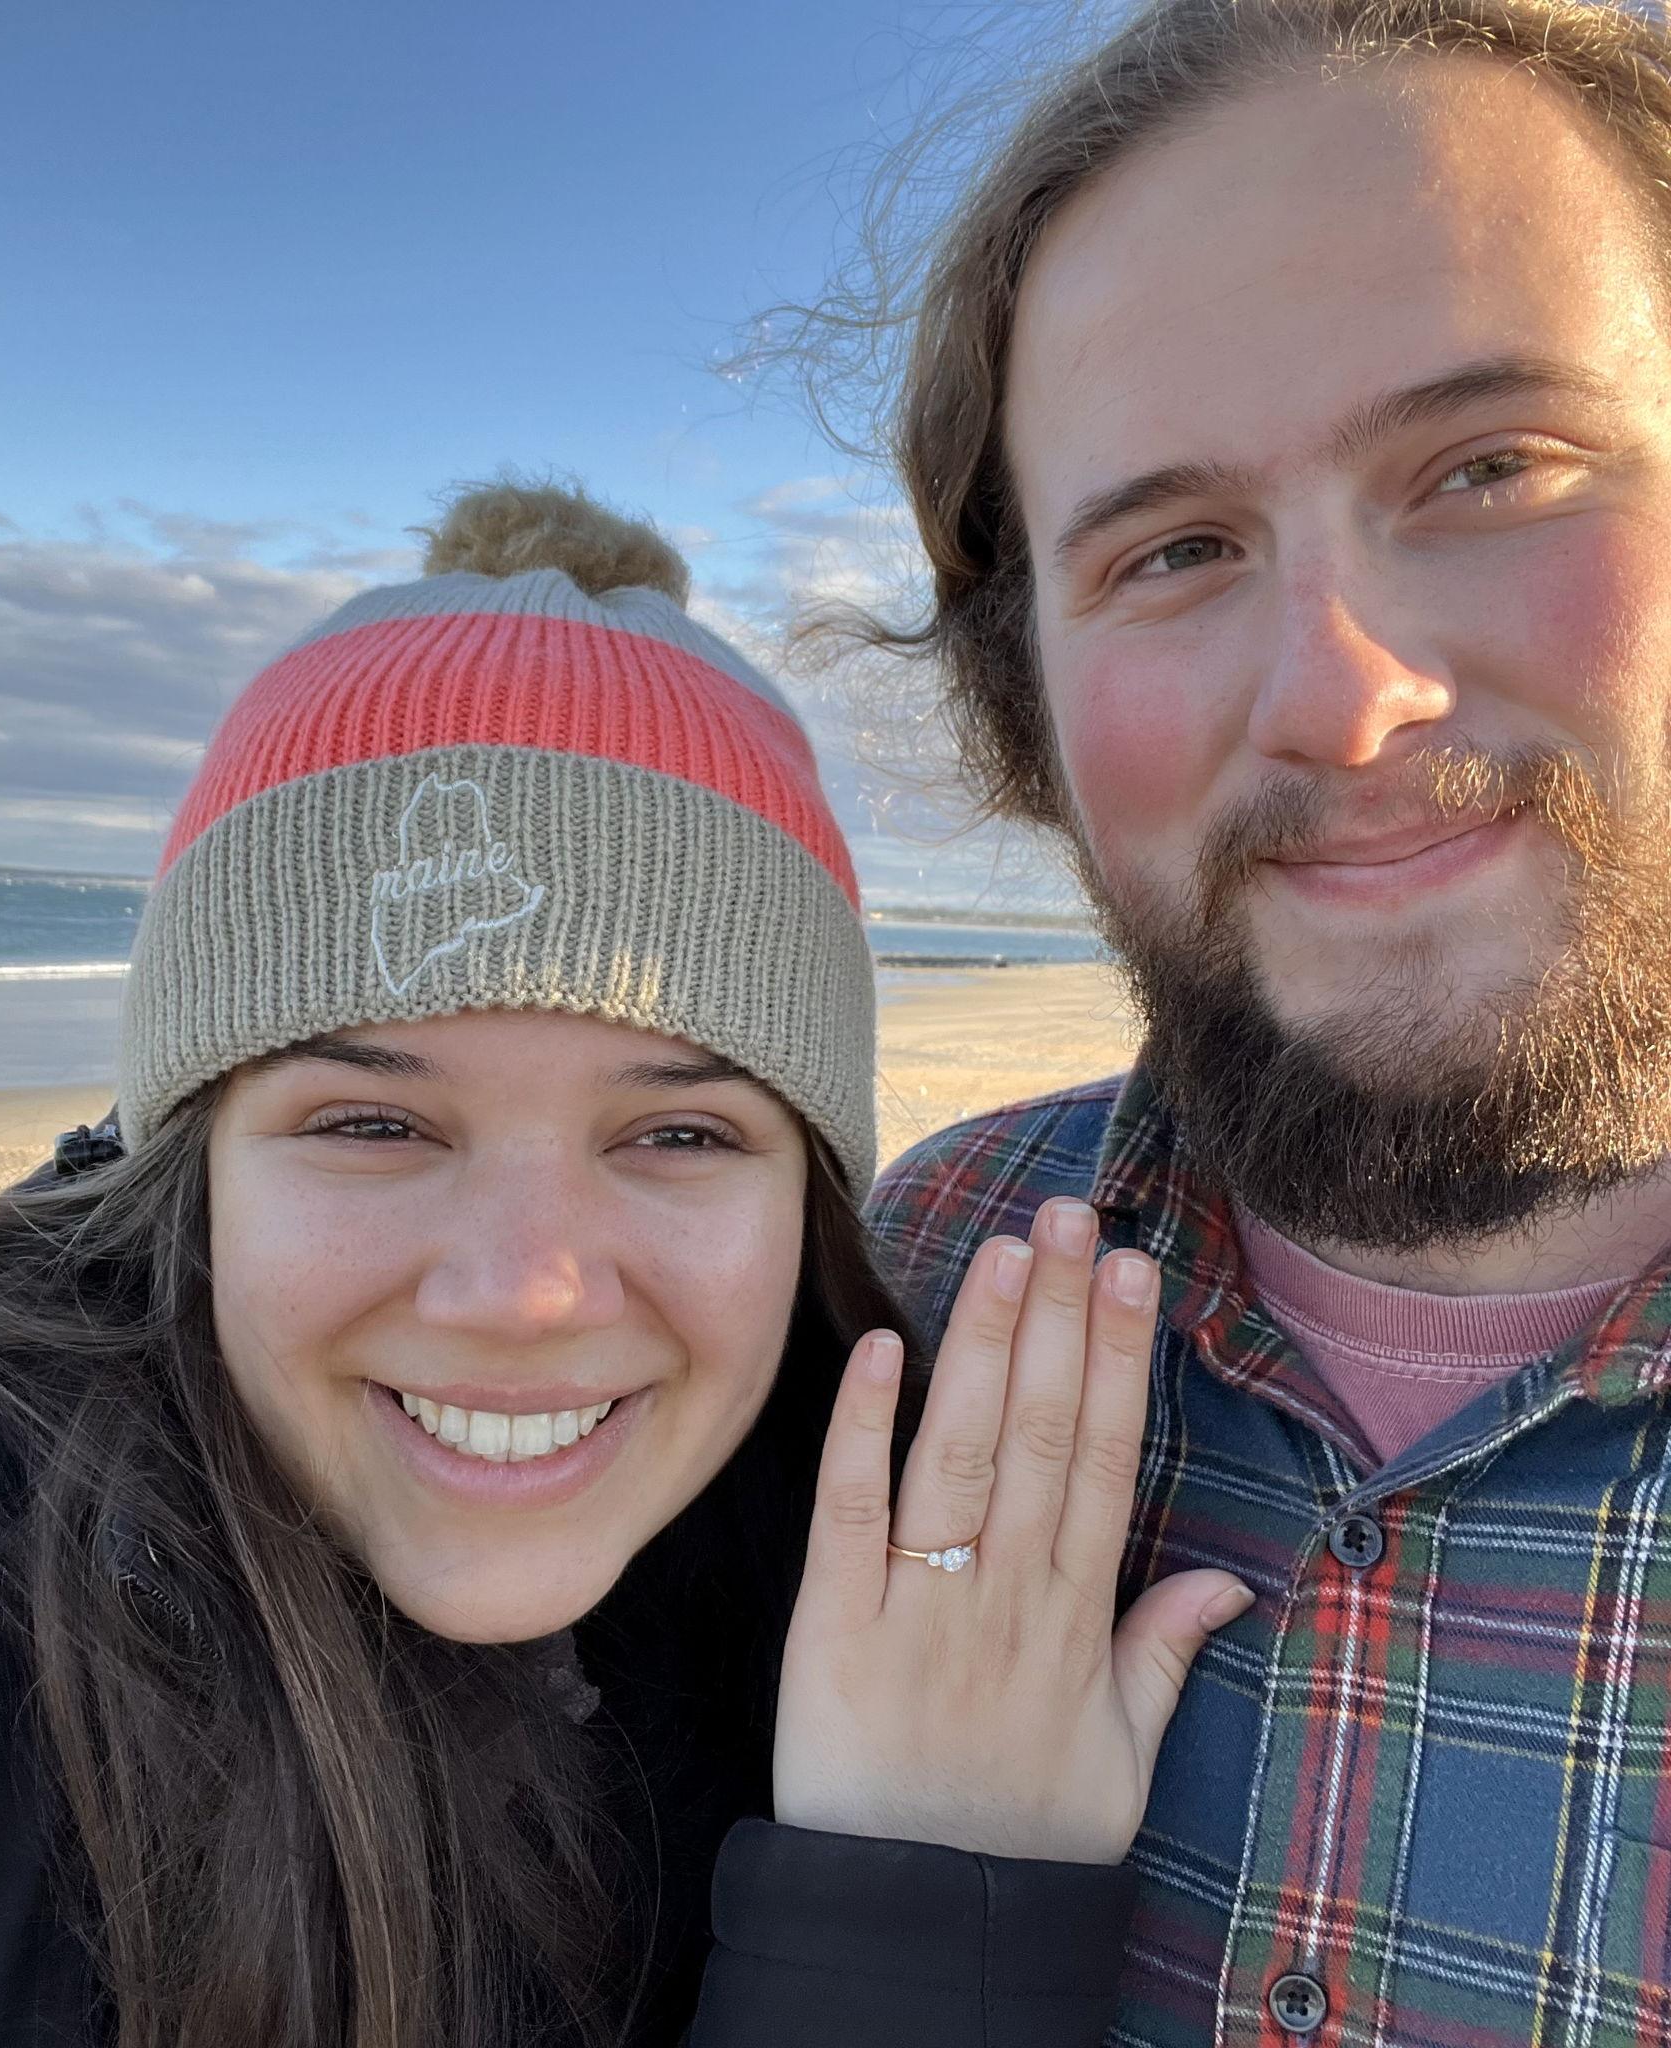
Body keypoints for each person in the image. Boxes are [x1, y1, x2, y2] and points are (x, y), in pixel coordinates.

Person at [0, 481, 1249, 2048]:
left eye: (678, 1135)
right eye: (372, 1125)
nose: (526, 1290)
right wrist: (915, 1948)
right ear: (190, 1161)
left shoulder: (866, 1610)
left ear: (806, 1201)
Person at [850, 0, 1671, 2041]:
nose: (1343, 694)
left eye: (1493, 467)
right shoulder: (911, 1287)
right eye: (1178, 549)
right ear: (1027, 703)